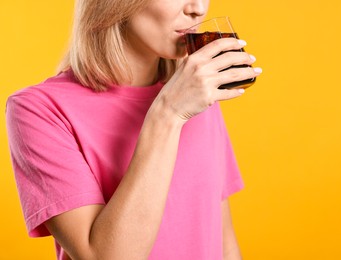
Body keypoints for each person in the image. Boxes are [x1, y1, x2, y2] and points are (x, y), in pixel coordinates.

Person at [6, 0, 262, 259]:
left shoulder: (195, 93)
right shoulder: (39, 109)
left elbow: (222, 240)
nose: (198, 8)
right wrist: (168, 114)